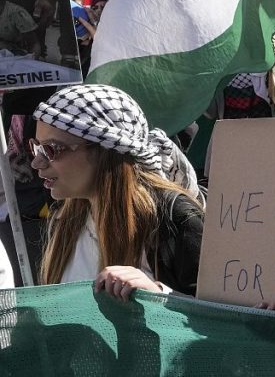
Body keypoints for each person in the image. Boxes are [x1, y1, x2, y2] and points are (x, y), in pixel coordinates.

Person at [31, 84, 204, 298]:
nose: (37, 162)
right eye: (36, 147)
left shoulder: (173, 218)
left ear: (104, 151)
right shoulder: (67, 217)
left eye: (51, 149)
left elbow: (221, 319)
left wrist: (158, 294)